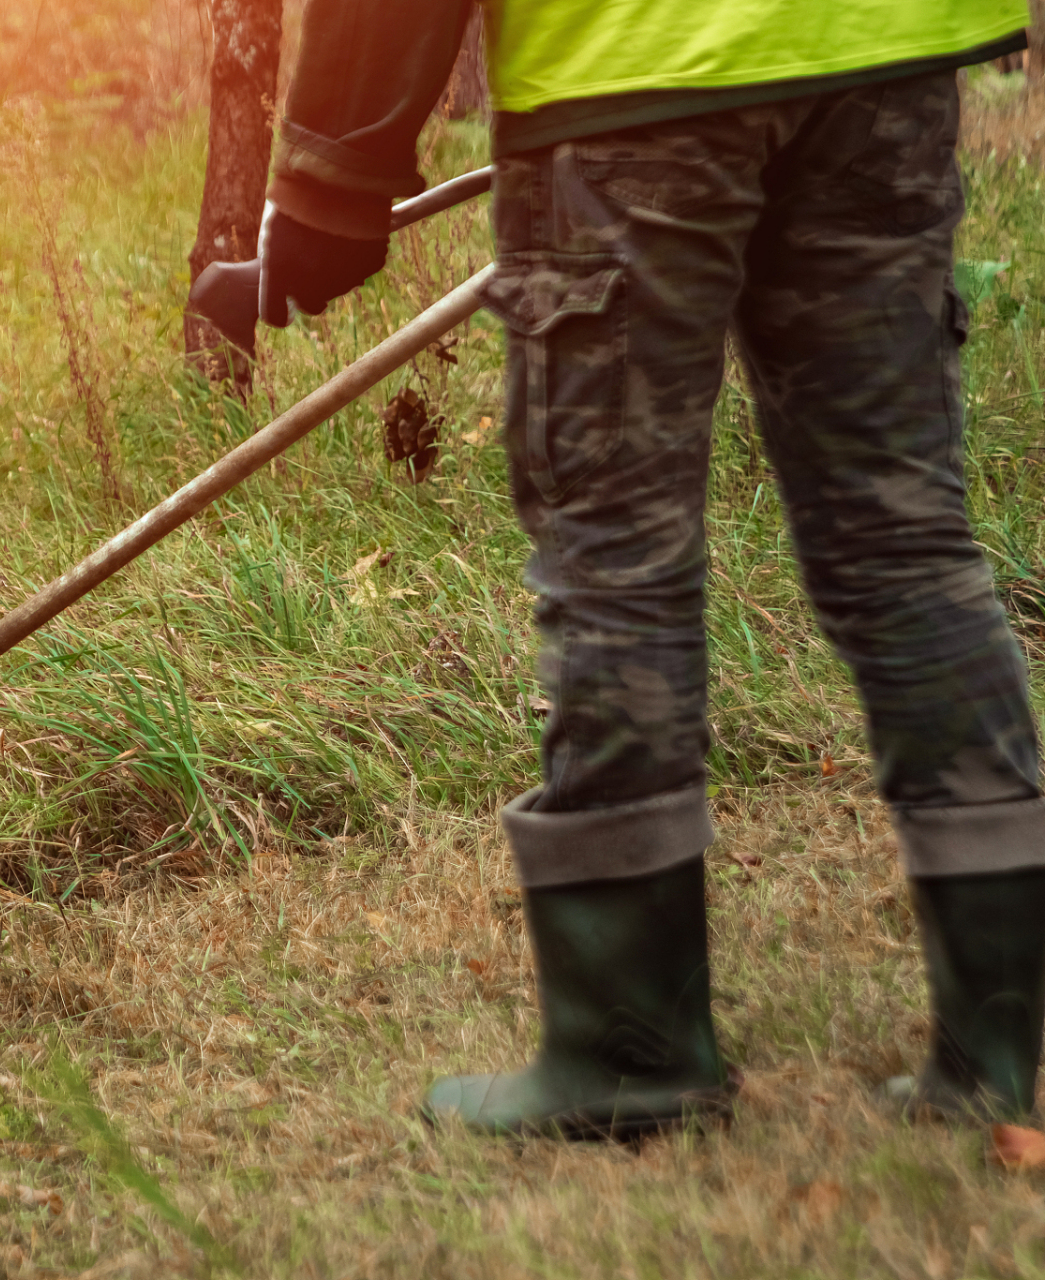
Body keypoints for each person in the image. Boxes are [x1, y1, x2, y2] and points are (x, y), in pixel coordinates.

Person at [257, 0, 1043, 1137]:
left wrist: (329, 180)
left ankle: (627, 1050)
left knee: (616, 554)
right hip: (881, 46)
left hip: (626, 60)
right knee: (902, 537)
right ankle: (1002, 1040)